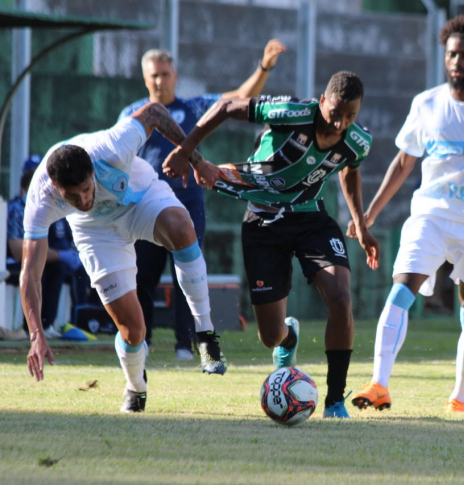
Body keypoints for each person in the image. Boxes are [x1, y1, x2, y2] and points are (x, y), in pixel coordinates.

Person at [164, 71, 380, 418]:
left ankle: (335, 400)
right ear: (322, 101)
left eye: (350, 116)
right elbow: (226, 106)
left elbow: (349, 169)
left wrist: (360, 222)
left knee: (340, 296)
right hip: (263, 223)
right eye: (335, 112)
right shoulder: (290, 112)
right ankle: (288, 339)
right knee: (269, 336)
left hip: (311, 218)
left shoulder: (358, 140)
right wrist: (186, 150)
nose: (340, 123)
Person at [349, 15, 464, 413]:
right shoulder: (426, 103)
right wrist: (369, 215)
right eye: (451, 54)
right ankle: (379, 384)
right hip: (430, 212)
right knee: (401, 290)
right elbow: (403, 163)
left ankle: (460, 398)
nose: (457, 62)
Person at [22, 102, 226, 413]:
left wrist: (194, 159)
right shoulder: (40, 199)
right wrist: (36, 335)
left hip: (140, 196)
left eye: (87, 189)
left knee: (183, 228)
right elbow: (30, 273)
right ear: (55, 188)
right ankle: (135, 387)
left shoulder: (111, 147)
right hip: (95, 232)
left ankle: (205, 334)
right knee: (133, 329)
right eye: (72, 196)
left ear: (93, 170)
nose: (84, 199)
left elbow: (155, 112)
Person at [119, 40, 286, 359]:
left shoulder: (193, 107)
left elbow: (237, 97)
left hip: (186, 202)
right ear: (145, 78)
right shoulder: (132, 114)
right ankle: (143, 340)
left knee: (188, 271)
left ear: (175, 76)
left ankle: (186, 344)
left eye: (165, 74)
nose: (160, 81)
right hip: (141, 204)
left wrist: (263, 67)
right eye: (154, 75)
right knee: (141, 275)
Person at [6, 156, 89, 340]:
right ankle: (29, 328)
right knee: (40, 267)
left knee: (60, 267)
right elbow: (19, 251)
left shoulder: (52, 207)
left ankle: (49, 324)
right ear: (24, 189)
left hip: (42, 259)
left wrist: (65, 255)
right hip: (12, 262)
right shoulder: (17, 209)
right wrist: (59, 255)